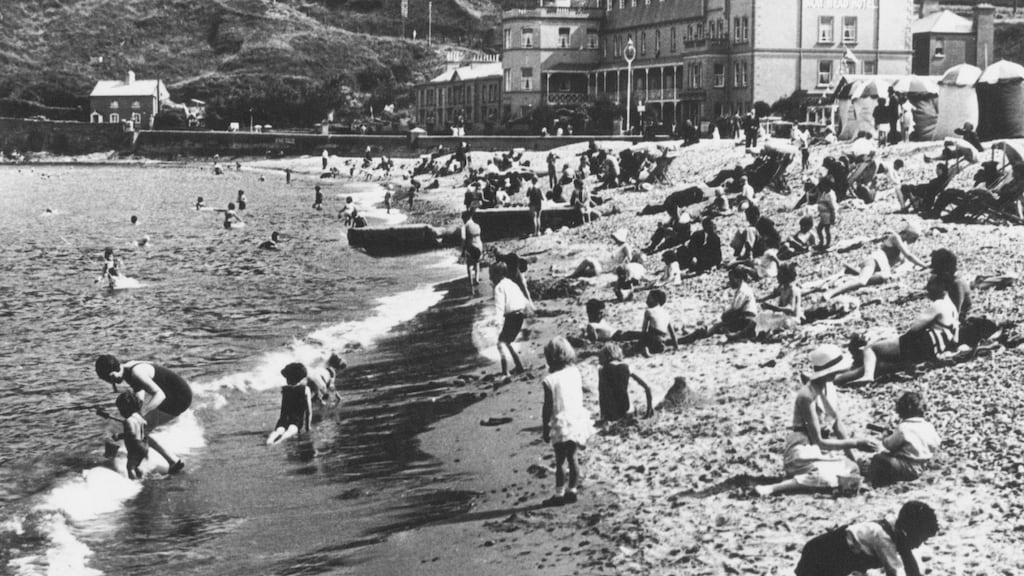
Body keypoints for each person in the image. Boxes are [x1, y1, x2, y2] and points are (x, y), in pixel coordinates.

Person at [753, 344, 881, 497]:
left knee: (851, 469)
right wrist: (856, 443)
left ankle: (807, 479)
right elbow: (818, 440)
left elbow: (837, 425)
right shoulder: (807, 396)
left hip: (818, 450)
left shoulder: (829, 387)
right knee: (824, 476)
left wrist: (853, 459)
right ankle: (776, 488)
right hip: (801, 449)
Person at [844, 276, 959, 385]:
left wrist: (896, 340)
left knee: (871, 348)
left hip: (922, 346)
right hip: (933, 351)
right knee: (879, 365)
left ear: (942, 286)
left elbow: (914, 329)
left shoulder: (939, 304)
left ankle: (867, 376)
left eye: (931, 285)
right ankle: (840, 380)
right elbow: (955, 338)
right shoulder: (953, 308)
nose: (927, 289)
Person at [95, 355, 191, 473]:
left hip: (179, 397)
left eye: (110, 379)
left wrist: (140, 414)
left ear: (113, 373)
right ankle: (139, 460)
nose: (112, 383)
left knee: (141, 430)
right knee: (134, 427)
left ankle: (173, 462)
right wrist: (136, 410)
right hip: (174, 393)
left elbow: (160, 395)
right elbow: (139, 389)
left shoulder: (136, 373)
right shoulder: (127, 369)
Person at [794, 500, 939, 576]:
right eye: (920, 539)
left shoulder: (897, 528)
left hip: (832, 551)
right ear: (907, 533)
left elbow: (909, 561)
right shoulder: (884, 539)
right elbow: (894, 571)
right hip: (824, 554)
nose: (920, 545)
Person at [540, 337, 595, 506]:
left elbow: (547, 407)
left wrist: (545, 427)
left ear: (550, 358)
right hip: (576, 419)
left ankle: (559, 493)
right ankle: (572, 490)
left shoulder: (550, 380)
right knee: (573, 457)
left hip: (560, 422)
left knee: (560, 460)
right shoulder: (574, 372)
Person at [824, 222, 928, 300]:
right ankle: (831, 293)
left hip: (879, 268)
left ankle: (854, 271)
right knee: (862, 281)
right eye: (914, 238)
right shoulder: (895, 238)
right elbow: (909, 256)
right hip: (873, 261)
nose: (914, 241)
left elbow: (905, 261)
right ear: (906, 234)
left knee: (883, 277)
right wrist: (924, 265)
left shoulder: (903, 244)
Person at [868, 392, 940, 486]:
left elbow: (889, 445)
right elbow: (937, 442)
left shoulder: (903, 428)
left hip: (907, 468)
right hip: (923, 466)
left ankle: (872, 481)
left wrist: (885, 436)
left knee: (879, 458)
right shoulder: (929, 426)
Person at [597, 342, 654, 421]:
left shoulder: (602, 370)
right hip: (625, 409)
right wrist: (649, 410)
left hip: (610, 413)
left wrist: (602, 416)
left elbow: (602, 395)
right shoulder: (626, 367)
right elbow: (647, 387)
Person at [491, 261, 529, 376]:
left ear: (497, 275)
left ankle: (505, 372)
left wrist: (497, 322)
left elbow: (500, 307)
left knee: (501, 343)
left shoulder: (499, 288)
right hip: (520, 314)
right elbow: (522, 298)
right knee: (508, 341)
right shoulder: (511, 283)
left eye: (491, 274)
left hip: (512, 316)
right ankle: (518, 366)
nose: (489, 277)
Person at [267, 362, 313, 445]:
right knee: (291, 430)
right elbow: (308, 411)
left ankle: (270, 441)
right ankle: (278, 442)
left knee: (279, 430)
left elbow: (284, 407)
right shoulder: (305, 389)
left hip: (283, 419)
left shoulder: (284, 389)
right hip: (296, 421)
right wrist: (307, 427)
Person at [114, 391, 148, 480]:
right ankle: (141, 479)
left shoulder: (128, 421)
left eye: (120, 409)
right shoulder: (139, 417)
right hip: (144, 445)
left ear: (126, 408)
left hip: (135, 447)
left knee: (130, 468)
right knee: (136, 466)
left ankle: (134, 483)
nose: (120, 412)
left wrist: (118, 436)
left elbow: (131, 434)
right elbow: (145, 423)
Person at [639, 289, 679, 356]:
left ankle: (646, 349)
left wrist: (641, 344)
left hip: (652, 341)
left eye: (649, 298)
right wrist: (676, 346)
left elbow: (644, 331)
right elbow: (672, 333)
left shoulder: (648, 311)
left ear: (656, 300)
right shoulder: (666, 313)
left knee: (639, 338)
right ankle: (659, 348)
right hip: (661, 343)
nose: (646, 301)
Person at [461, 211, 483, 292]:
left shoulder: (465, 226)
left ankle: (470, 282)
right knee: (477, 263)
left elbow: (463, 239)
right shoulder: (477, 225)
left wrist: (463, 251)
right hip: (479, 245)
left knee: (469, 265)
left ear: (465, 218)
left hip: (471, 246)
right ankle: (476, 279)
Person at [817, 179, 839, 251]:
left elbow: (832, 207)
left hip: (828, 215)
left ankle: (827, 244)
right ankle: (822, 242)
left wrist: (833, 216)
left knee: (826, 230)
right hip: (823, 215)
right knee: (819, 229)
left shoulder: (830, 194)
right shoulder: (824, 193)